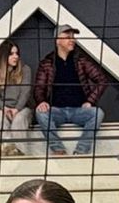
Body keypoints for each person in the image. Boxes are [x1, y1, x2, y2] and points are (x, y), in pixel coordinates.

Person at [33, 25, 107, 157]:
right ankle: (58, 150)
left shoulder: (81, 60)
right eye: (68, 37)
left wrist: (90, 101)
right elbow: (39, 87)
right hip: (56, 110)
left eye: (73, 37)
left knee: (97, 113)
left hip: (79, 110)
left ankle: (81, 151)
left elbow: (102, 80)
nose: (72, 40)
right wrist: (42, 101)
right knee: (40, 113)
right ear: (57, 40)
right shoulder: (47, 63)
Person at [0, 42, 33, 157]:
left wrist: (17, 109)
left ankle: (20, 154)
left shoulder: (25, 70)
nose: (15, 56)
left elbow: (25, 93)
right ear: (3, 56)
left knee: (19, 120)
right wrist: (4, 108)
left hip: (21, 108)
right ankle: (3, 153)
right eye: (11, 54)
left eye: (17, 53)